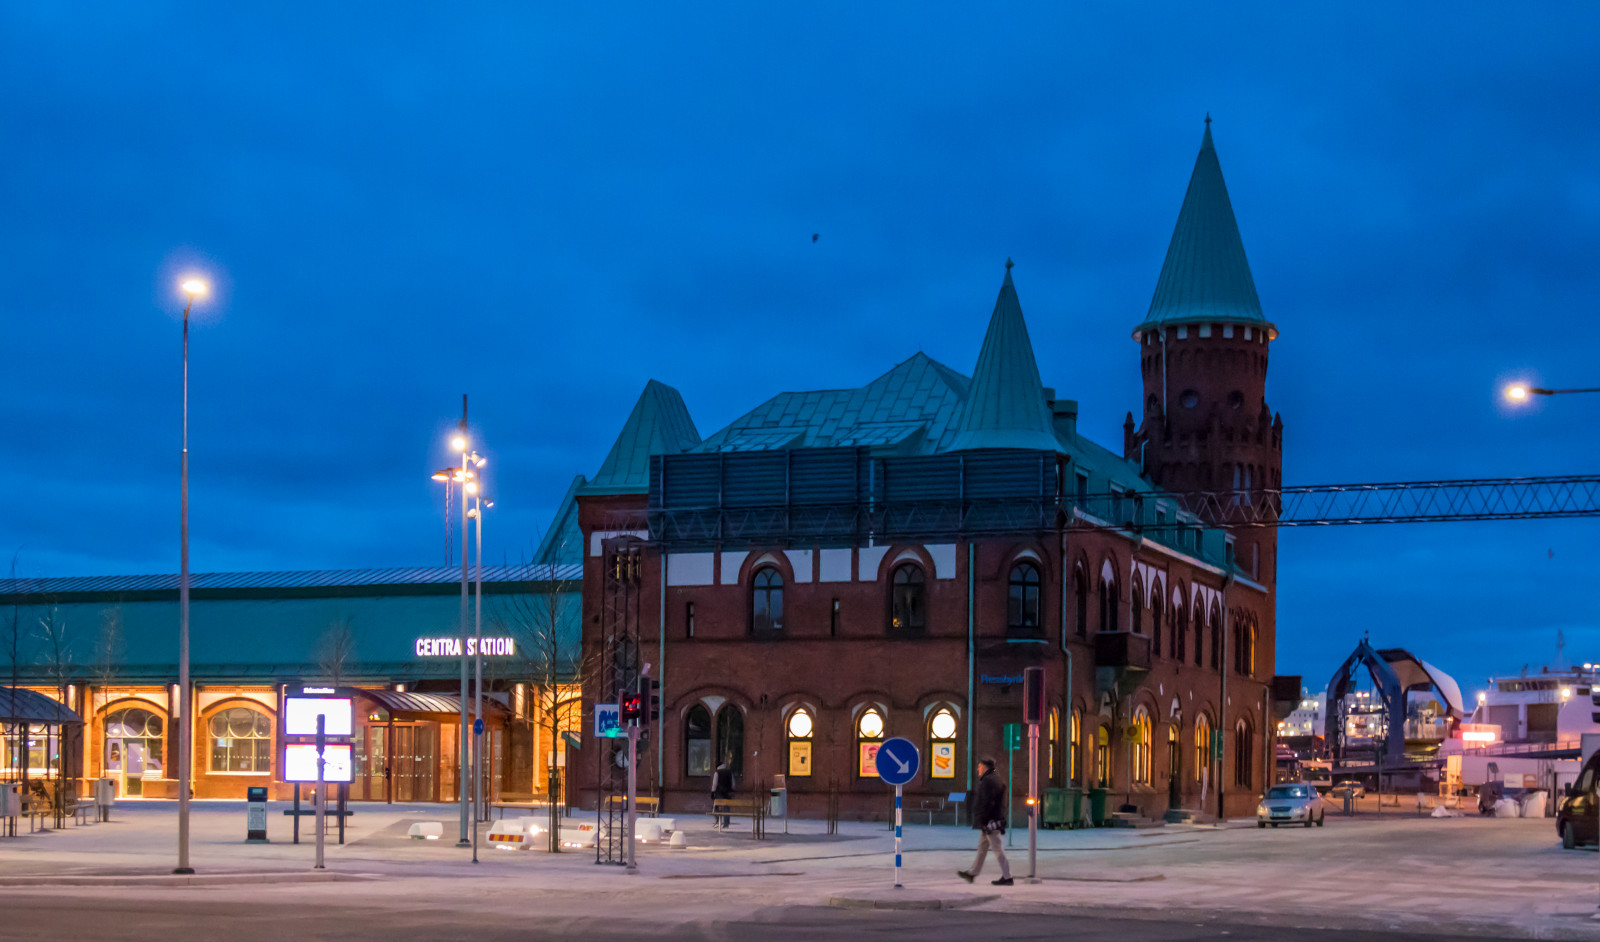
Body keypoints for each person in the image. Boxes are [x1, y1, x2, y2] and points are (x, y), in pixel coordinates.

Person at [958, 757, 1012, 885]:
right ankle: (973, 873)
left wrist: (984, 820)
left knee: (997, 848)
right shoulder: (997, 779)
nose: (978, 769)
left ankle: (1007, 877)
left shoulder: (989, 781)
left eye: (979, 766)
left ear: (985, 767)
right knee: (982, 848)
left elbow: (987, 802)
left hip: (990, 821)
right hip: (993, 820)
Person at [710, 761, 735, 828]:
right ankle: (726, 824)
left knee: (716, 807)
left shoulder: (717, 772)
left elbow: (714, 784)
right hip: (727, 793)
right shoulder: (729, 772)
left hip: (719, 793)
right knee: (726, 808)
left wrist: (713, 792)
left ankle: (718, 820)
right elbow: (733, 784)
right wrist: (731, 790)